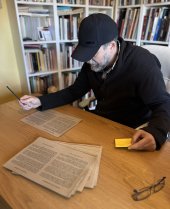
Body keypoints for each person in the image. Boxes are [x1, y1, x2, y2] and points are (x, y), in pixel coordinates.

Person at [20, 13, 170, 151]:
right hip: (101, 122)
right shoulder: (93, 63)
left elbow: (162, 103)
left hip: (130, 130)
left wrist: (156, 133)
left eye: (92, 54)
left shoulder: (143, 63)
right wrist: (40, 101)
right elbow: (75, 91)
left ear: (111, 46)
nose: (88, 60)